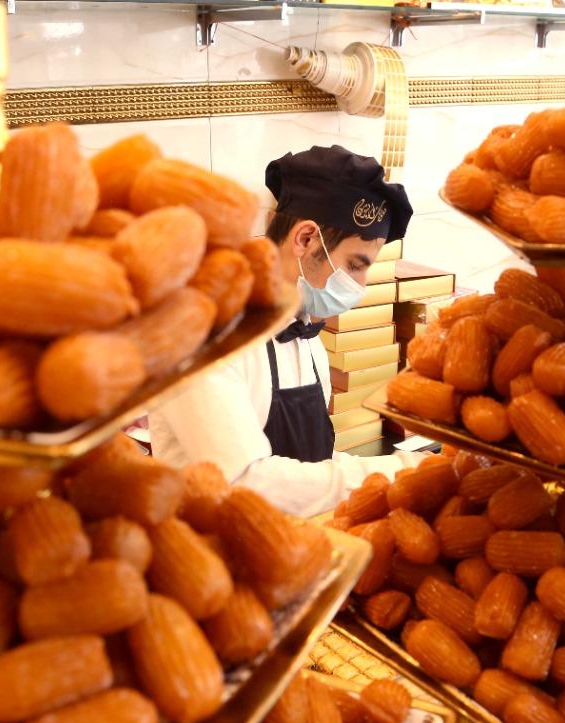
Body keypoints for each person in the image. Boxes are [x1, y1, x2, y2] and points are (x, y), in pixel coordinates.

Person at [150, 145, 423, 516]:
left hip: (289, 539)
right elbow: (244, 482)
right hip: (206, 542)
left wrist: (394, 476)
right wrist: (402, 472)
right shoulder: (203, 335)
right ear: (305, 239)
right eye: (355, 266)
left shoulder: (305, 334)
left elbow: (312, 465)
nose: (360, 287)